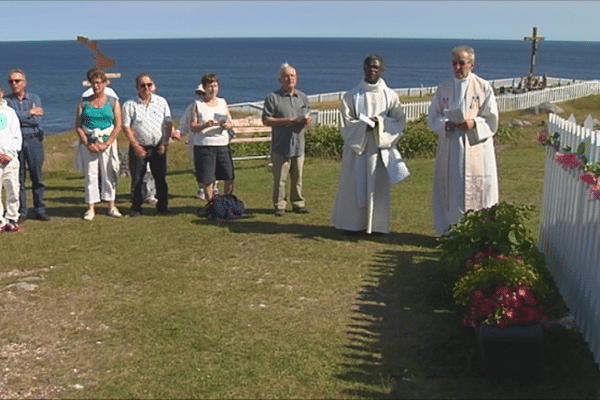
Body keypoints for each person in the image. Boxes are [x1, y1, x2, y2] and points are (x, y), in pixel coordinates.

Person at [330, 54, 407, 235]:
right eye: (369, 67)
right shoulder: (351, 95)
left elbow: (399, 120)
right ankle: (351, 224)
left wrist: (380, 123)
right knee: (353, 186)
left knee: (377, 188)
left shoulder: (390, 96)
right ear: (363, 68)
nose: (372, 70)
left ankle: (377, 226)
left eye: (376, 67)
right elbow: (345, 122)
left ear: (382, 70)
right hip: (357, 149)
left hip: (378, 149)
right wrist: (363, 126)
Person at [427, 45, 499, 235]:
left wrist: (474, 123)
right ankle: (449, 229)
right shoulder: (443, 88)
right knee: (452, 188)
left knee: (476, 188)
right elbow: (433, 116)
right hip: (451, 146)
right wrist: (446, 124)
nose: (458, 67)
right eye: (454, 63)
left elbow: (491, 118)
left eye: (462, 63)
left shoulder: (483, 87)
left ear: (472, 65)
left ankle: (477, 231)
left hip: (475, 145)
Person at [262, 63, 312, 217]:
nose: (289, 78)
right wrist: (286, 121)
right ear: (280, 79)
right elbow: (266, 119)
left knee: (298, 177)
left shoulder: (302, 97)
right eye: (286, 76)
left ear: (296, 78)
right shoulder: (273, 98)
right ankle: (279, 205)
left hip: (298, 144)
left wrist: (307, 120)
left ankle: (298, 203)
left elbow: (308, 114)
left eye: (292, 75)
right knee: (280, 178)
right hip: (281, 145)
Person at [74, 69, 122, 220]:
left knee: (109, 173)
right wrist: (88, 143)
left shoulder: (113, 102)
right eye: (94, 83)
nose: (96, 86)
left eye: (99, 83)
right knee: (91, 174)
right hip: (90, 143)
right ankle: (90, 207)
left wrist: (107, 142)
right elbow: (78, 125)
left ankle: (111, 205)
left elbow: (118, 124)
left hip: (107, 141)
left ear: (105, 83)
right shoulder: (83, 103)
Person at [122, 73, 173, 216]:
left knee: (160, 178)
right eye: (142, 85)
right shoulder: (129, 105)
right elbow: (126, 127)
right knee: (137, 178)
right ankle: (136, 207)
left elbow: (168, 124)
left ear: (153, 85)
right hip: (139, 147)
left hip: (158, 146)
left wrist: (164, 143)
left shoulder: (161, 102)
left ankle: (163, 207)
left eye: (148, 84)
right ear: (137, 87)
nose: (146, 88)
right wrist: (135, 146)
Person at [6, 69, 49, 221]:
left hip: (33, 140)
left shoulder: (34, 98)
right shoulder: (7, 101)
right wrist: (30, 113)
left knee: (37, 176)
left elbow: (36, 121)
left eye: (17, 80)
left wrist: (20, 117)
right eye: (11, 81)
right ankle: (21, 210)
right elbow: (10, 121)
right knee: (19, 179)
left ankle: (39, 208)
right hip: (16, 142)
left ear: (24, 83)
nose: (14, 84)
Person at [188, 72, 234, 205]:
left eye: (215, 86)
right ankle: (212, 204)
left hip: (222, 144)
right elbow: (193, 126)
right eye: (209, 86)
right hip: (204, 145)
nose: (213, 89)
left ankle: (227, 203)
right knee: (208, 178)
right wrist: (205, 124)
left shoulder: (222, 102)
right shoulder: (197, 104)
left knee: (228, 176)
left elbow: (231, 122)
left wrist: (226, 125)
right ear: (204, 87)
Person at [0, 83, 24, 232]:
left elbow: (16, 135)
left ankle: (12, 219)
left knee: (13, 189)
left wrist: (9, 154)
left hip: (10, 159)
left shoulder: (10, 112)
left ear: (1, 93)